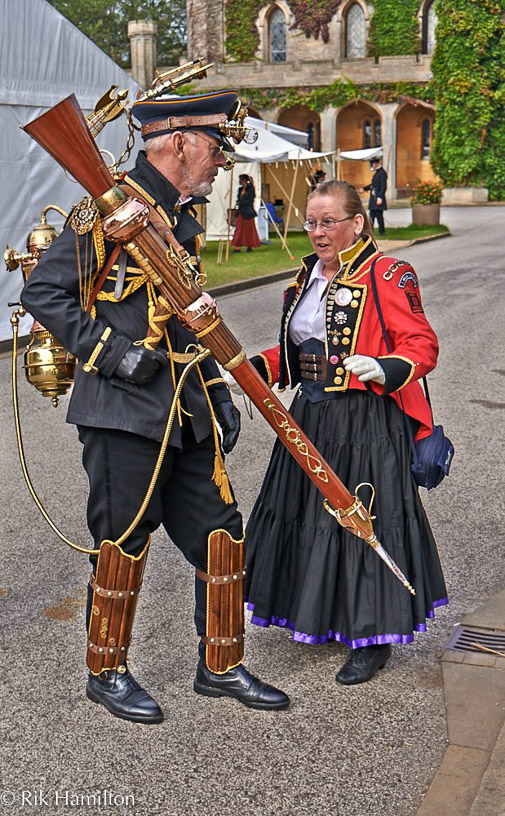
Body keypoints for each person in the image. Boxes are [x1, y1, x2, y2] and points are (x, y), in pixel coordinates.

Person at [21, 89, 289, 723]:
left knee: (222, 533)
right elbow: (44, 291)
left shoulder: (178, 216)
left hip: (185, 407)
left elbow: (190, 319)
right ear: (180, 143)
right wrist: (110, 352)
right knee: (122, 540)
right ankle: (106, 671)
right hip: (122, 411)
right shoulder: (107, 209)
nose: (223, 160)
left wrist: (218, 393)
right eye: (218, 146)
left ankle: (220, 665)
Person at [226, 179, 447, 685]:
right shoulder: (304, 276)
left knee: (364, 520)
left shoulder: (388, 274)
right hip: (311, 415)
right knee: (308, 516)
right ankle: (323, 614)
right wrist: (260, 364)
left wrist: (384, 366)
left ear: (357, 222)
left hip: (366, 419)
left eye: (329, 222)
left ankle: (373, 637)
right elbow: (301, 347)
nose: (318, 233)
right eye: (311, 222)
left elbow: (422, 345)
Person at [231, 174, 261, 252]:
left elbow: (250, 200)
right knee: (239, 229)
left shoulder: (250, 189)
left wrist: (241, 202)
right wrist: (239, 202)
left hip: (248, 212)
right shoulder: (240, 189)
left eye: (241, 180)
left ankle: (249, 246)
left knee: (249, 229)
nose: (240, 181)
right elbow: (238, 198)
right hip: (241, 211)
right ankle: (238, 247)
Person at [361, 156, 387, 236]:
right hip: (373, 197)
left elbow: (383, 186)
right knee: (371, 216)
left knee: (379, 216)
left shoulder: (382, 173)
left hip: (378, 197)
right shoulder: (377, 173)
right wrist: (364, 188)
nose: (372, 165)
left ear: (378, 163)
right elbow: (373, 185)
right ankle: (370, 232)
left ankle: (382, 232)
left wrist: (380, 197)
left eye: (374, 163)